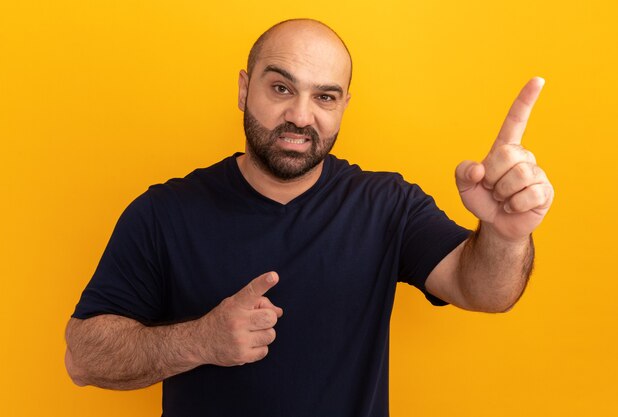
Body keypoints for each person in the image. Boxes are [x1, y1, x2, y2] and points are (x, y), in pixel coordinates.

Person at [65, 18, 554, 416]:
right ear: (243, 88)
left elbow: (484, 291)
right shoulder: (163, 213)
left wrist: (506, 234)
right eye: (281, 87)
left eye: (324, 96)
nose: (301, 116)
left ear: (343, 105)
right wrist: (201, 340)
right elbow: (81, 358)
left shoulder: (386, 205)